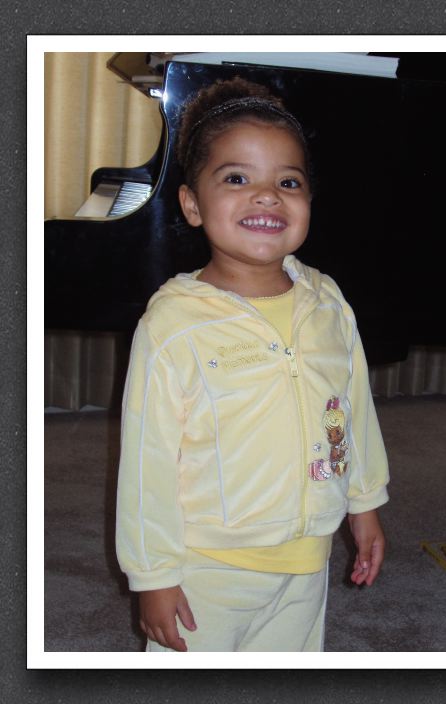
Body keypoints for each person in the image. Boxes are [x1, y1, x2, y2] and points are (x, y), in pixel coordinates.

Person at [116, 76, 390, 652]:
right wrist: (153, 575)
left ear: (309, 200)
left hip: (306, 561)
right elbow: (148, 462)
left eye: (288, 182)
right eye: (237, 178)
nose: (267, 196)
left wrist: (364, 505)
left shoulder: (328, 303)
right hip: (207, 568)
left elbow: (353, 409)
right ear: (192, 204)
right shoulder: (173, 325)